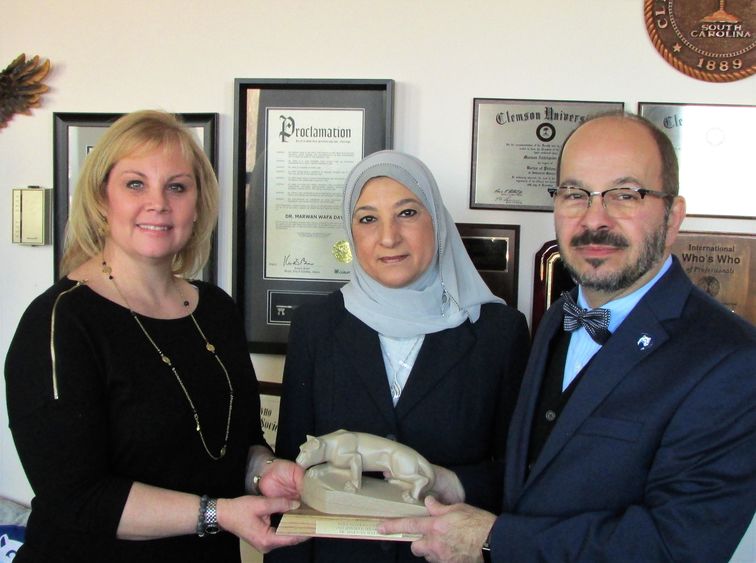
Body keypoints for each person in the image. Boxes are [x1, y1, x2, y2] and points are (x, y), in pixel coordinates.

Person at [379, 112, 756, 562]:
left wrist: (494, 540)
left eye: (625, 194)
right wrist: (450, 483)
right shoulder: (559, 316)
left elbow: (677, 548)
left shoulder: (732, 360)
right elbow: (542, 475)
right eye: (576, 194)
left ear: (672, 217)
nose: (595, 219)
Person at [4, 110, 306, 562]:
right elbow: (78, 497)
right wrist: (218, 514)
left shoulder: (216, 309)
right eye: (135, 184)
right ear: (102, 198)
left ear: (198, 203)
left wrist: (264, 472)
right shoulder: (59, 321)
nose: (158, 203)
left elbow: (237, 442)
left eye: (177, 187)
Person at [268, 150, 530, 563]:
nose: (388, 237)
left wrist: (452, 483)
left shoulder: (499, 332)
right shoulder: (315, 326)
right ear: (350, 231)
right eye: (368, 218)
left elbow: (521, 476)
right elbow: (291, 480)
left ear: (437, 221)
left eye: (407, 213)